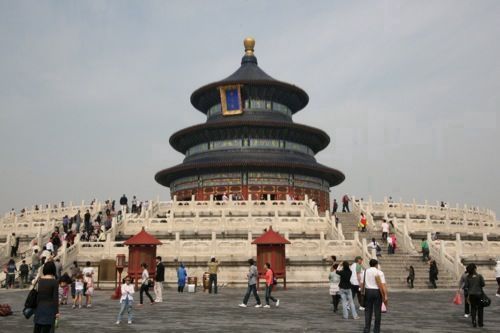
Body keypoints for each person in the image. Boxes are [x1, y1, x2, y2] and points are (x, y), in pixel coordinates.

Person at [33, 261, 59, 333]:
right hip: (50, 310)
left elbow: (37, 295)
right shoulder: (54, 282)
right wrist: (57, 312)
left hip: (39, 308)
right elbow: (55, 298)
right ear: (53, 269)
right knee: (48, 329)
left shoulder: (39, 280)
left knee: (37, 329)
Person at [363, 259, 388, 333]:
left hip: (368, 291)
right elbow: (383, 285)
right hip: (377, 292)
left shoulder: (365, 271)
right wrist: (385, 295)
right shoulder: (379, 272)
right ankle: (376, 330)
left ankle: (367, 329)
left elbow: (362, 282)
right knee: (377, 312)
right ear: (376, 264)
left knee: (368, 311)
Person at [464, 263, 485, 328]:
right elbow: (483, 284)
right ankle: (480, 323)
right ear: (475, 269)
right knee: (480, 308)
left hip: (471, 294)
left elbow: (466, 286)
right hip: (479, 294)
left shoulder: (467, 277)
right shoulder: (479, 276)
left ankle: (474, 322)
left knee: (473, 308)